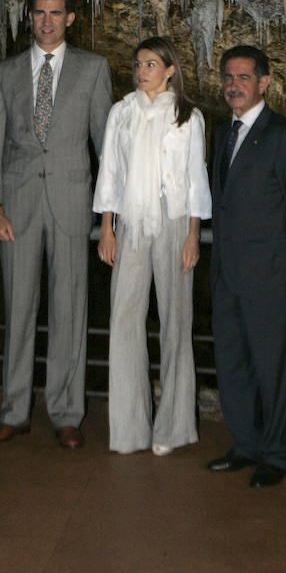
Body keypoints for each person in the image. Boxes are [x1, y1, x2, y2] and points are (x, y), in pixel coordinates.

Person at [0, 0, 112, 449]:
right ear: (29, 16)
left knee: (70, 309)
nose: (47, 21)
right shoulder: (4, 72)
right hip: (16, 205)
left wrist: (108, 215)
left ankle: (66, 413)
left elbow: (105, 146)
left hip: (71, 202)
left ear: (70, 18)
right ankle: (14, 411)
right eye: (39, 13)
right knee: (18, 309)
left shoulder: (94, 70)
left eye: (56, 13)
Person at [93, 37, 211, 455]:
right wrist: (107, 227)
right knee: (124, 318)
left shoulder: (187, 116)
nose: (142, 70)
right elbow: (110, 170)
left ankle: (173, 428)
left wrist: (193, 235)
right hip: (130, 218)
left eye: (151, 64)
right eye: (138, 63)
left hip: (174, 218)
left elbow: (197, 177)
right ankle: (128, 429)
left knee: (176, 320)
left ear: (170, 70)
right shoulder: (121, 113)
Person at [206, 45, 286, 487]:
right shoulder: (221, 134)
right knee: (232, 365)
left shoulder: (284, 134)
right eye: (229, 77)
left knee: (273, 371)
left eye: (244, 77)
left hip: (271, 276)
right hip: (228, 273)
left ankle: (277, 453)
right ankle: (245, 445)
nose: (234, 85)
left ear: (264, 83)